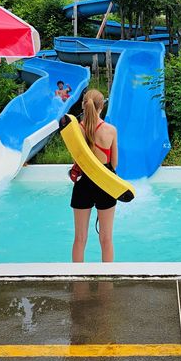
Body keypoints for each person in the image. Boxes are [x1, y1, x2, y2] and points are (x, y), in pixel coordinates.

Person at [70, 89, 118, 263]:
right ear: (102, 106)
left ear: (84, 105)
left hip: (83, 184)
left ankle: (78, 286)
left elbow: (76, 160)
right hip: (105, 183)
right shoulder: (110, 130)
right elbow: (114, 164)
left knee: (80, 238)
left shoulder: (75, 130)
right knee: (106, 239)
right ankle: (107, 286)